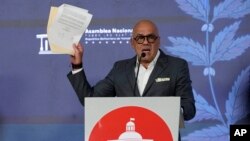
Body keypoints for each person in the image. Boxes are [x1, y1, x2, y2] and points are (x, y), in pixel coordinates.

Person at [67, 19, 196, 121]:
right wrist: (77, 65)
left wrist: (165, 111)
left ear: (158, 41)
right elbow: (90, 100)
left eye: (151, 37)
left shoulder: (176, 66)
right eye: (140, 38)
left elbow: (189, 109)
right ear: (132, 43)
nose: (145, 42)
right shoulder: (120, 69)